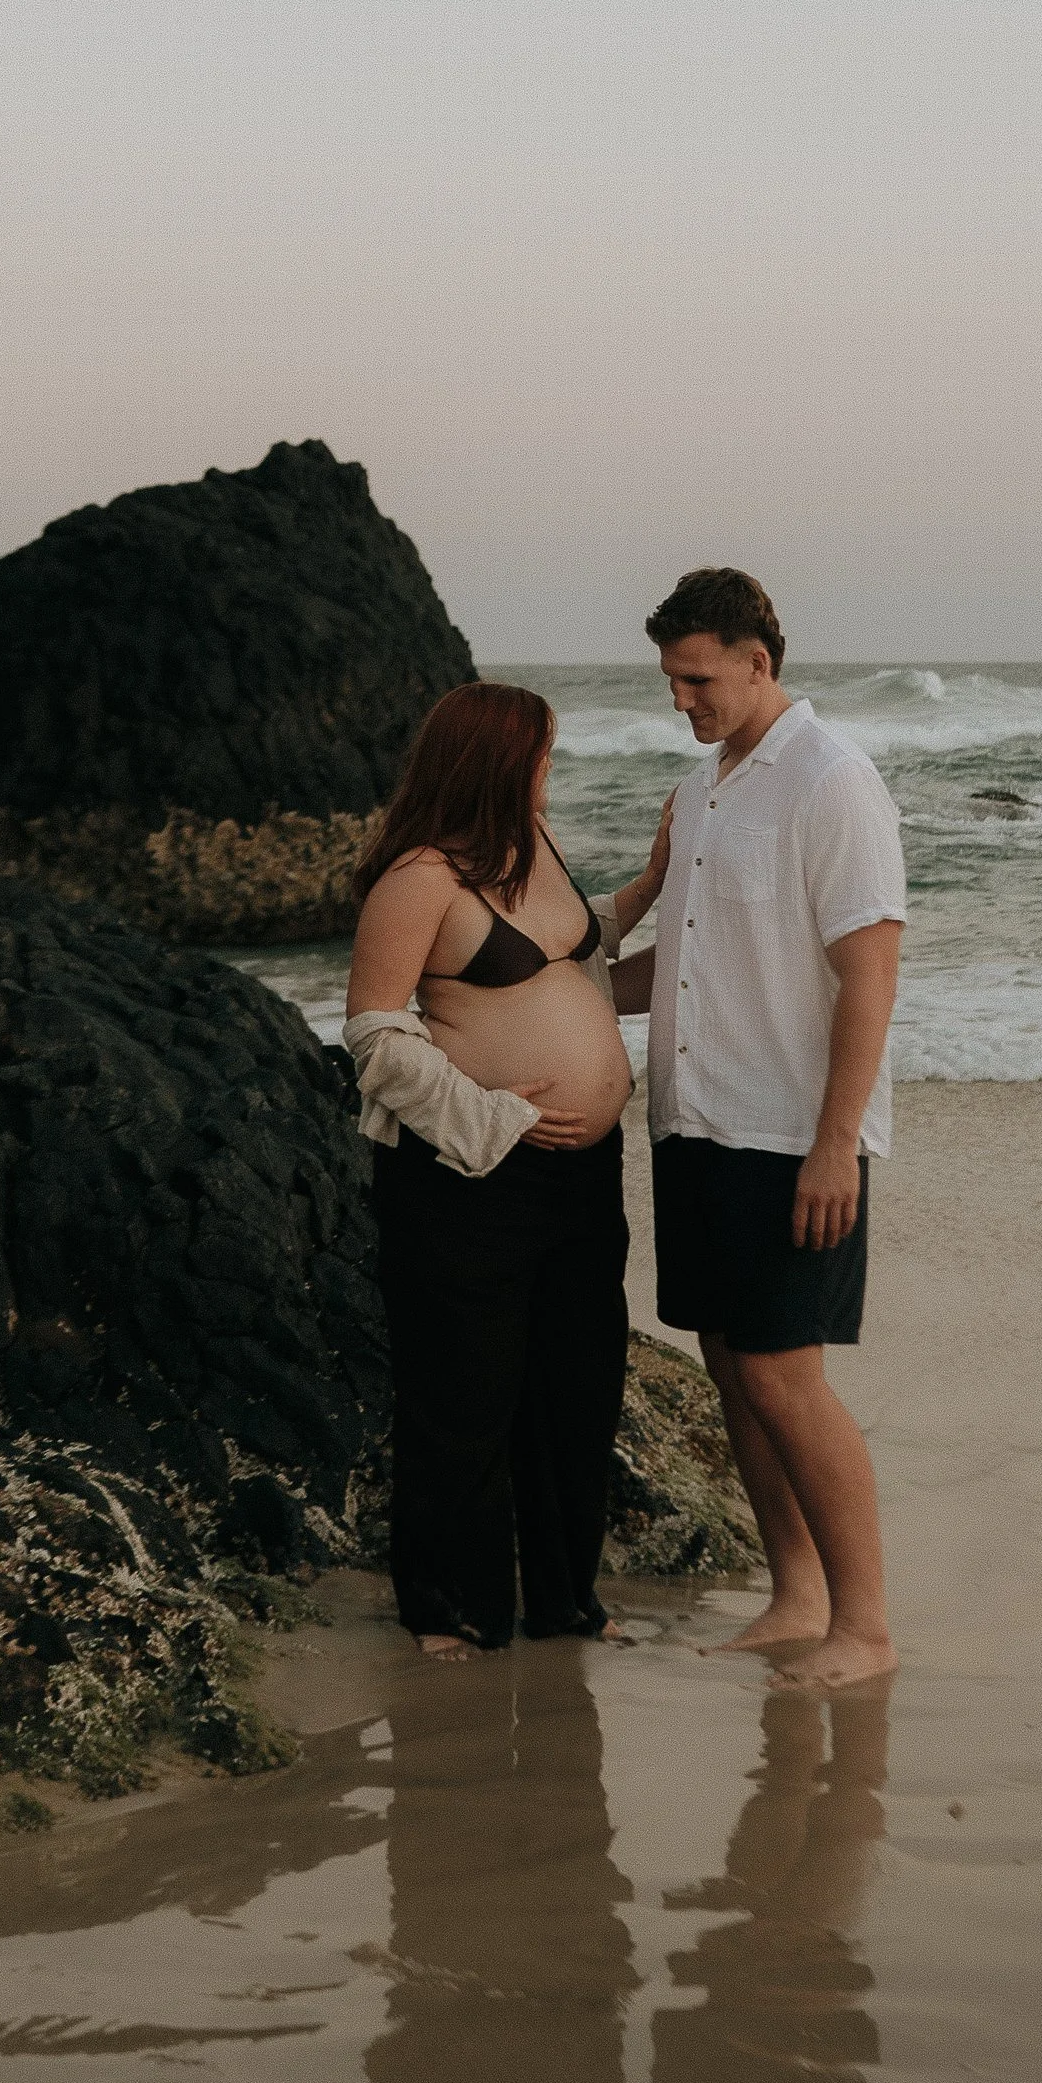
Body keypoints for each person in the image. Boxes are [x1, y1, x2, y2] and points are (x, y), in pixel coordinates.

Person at [606, 569, 906, 1689]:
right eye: (671, 681)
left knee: (787, 1378)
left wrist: (838, 1143)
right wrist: (548, 1002)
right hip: (696, 1120)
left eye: (698, 678)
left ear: (757, 660)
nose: (682, 700)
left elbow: (869, 974)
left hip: (789, 1134)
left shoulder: (830, 782)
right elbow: (674, 964)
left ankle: (865, 1626)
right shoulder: (700, 792)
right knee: (732, 1368)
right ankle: (797, 1594)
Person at [344, 681, 637, 1659]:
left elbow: (571, 955)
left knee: (577, 1388)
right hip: (469, 1179)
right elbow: (376, 1037)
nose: (552, 768)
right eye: (542, 753)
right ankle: (447, 1607)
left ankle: (563, 1600)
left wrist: (655, 882)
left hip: (583, 1179)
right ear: (497, 761)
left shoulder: (536, 852)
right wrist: (500, 1118)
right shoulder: (420, 879)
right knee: (463, 1395)